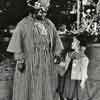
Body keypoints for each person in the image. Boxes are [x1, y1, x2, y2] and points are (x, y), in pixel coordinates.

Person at [7, 0, 63, 100]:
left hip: (46, 62)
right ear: (33, 11)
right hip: (29, 62)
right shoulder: (23, 24)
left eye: (45, 12)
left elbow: (56, 39)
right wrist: (20, 59)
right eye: (41, 12)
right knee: (28, 84)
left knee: (45, 84)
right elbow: (17, 42)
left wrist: (57, 53)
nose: (44, 14)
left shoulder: (49, 24)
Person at [57, 36, 89, 100]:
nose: (71, 43)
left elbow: (84, 70)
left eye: (73, 42)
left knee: (75, 96)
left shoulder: (84, 58)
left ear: (78, 44)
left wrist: (82, 81)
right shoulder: (69, 54)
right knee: (64, 95)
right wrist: (58, 62)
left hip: (77, 79)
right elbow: (65, 65)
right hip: (68, 78)